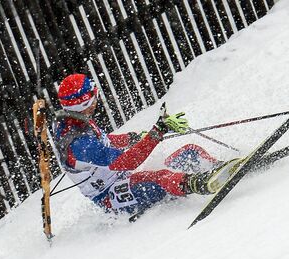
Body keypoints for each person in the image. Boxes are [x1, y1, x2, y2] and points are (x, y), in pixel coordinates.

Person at [53, 74, 240, 216]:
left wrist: (135, 137)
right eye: (93, 95)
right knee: (160, 177)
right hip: (112, 198)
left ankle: (221, 169)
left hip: (125, 178)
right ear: (85, 102)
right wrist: (157, 132)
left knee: (190, 151)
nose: (97, 98)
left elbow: (105, 140)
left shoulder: (75, 120)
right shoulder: (79, 145)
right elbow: (128, 161)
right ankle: (201, 184)